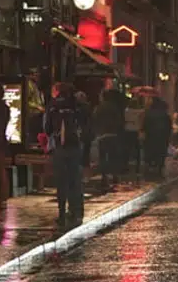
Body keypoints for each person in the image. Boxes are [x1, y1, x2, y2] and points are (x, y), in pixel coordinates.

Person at [44, 82, 87, 224]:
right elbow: (84, 123)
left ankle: (62, 211)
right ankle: (76, 209)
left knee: (61, 180)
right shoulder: (76, 104)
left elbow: (47, 128)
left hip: (60, 146)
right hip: (74, 146)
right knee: (75, 179)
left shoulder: (53, 105)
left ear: (56, 91)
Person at [92, 88, 127, 191]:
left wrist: (97, 131)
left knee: (103, 156)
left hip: (103, 135)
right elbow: (120, 120)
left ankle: (104, 176)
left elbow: (94, 120)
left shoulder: (98, 108)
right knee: (113, 156)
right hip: (113, 134)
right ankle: (114, 175)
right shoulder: (114, 108)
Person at [142, 97, 174, 178]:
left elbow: (145, 125)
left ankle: (150, 166)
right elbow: (169, 126)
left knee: (151, 151)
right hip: (162, 137)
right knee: (161, 152)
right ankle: (159, 167)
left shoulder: (149, 113)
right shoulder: (165, 114)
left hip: (151, 136)